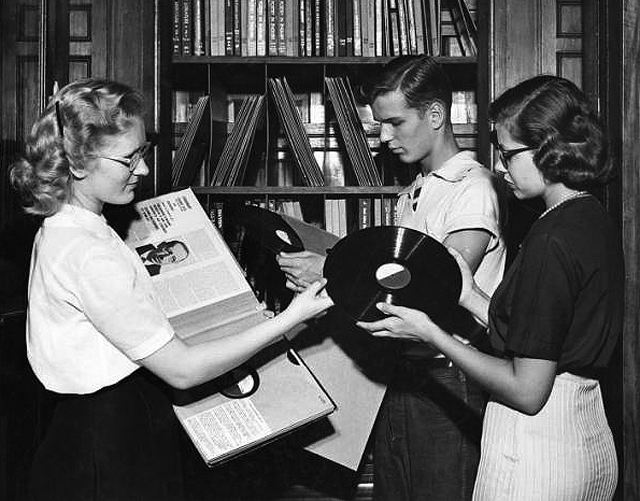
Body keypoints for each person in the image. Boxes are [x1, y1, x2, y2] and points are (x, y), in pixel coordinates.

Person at [9, 78, 333, 501]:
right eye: (129, 159)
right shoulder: (86, 252)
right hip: (109, 438)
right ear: (77, 164)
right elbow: (182, 369)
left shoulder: (71, 228)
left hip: (112, 425)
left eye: (143, 153)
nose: (142, 170)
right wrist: (293, 317)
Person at [358, 75, 622, 501]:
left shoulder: (549, 237)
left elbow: (527, 390)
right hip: (586, 435)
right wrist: (469, 296)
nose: (499, 165)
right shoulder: (589, 219)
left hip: (535, 451)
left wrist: (431, 334)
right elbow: (540, 333)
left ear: (549, 148)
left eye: (508, 152)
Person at [277, 55, 506, 501]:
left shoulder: (472, 186)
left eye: (395, 122)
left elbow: (438, 289)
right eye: (380, 124)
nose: (383, 137)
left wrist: (328, 270)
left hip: (449, 378)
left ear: (435, 115)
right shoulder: (413, 193)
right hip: (402, 375)